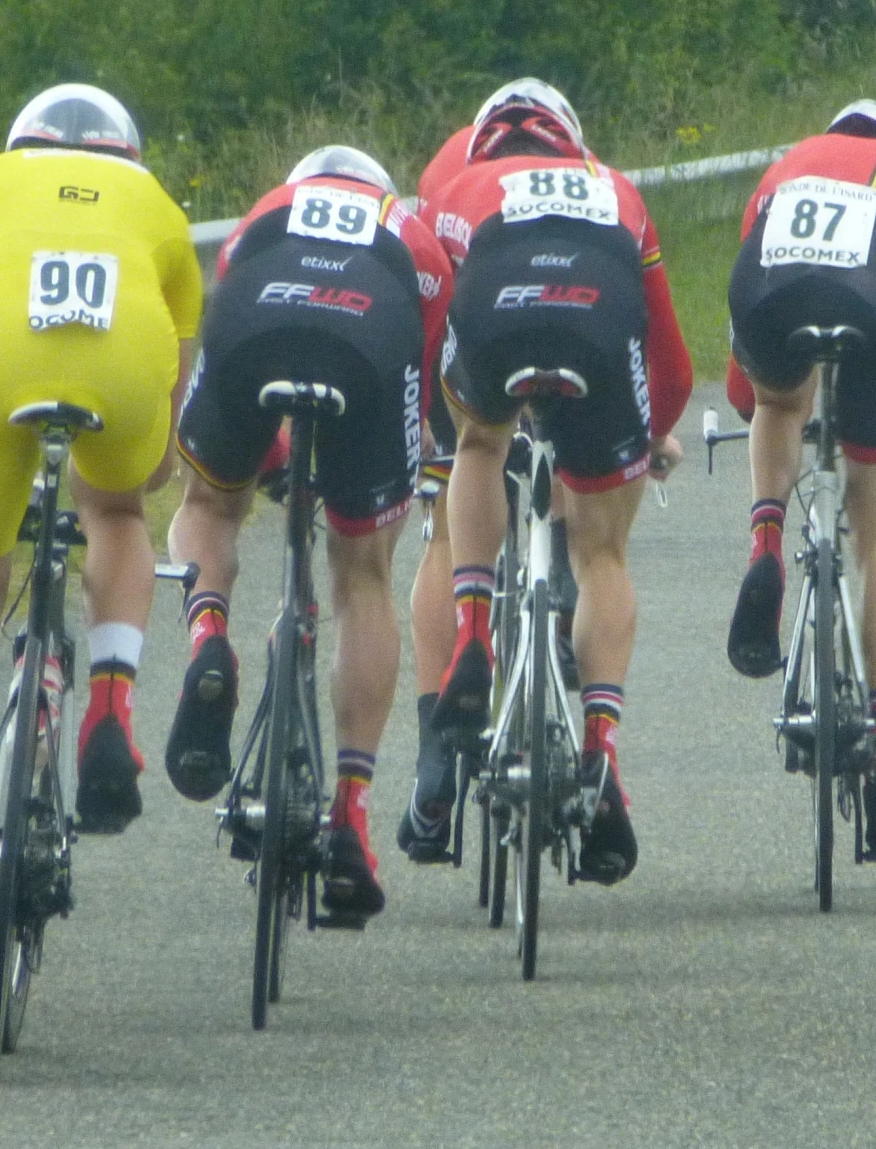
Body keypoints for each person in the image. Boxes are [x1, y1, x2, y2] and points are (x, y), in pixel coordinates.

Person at [0, 84, 201, 974]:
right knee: (118, 510)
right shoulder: (161, 212)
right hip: (120, 381)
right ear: (126, 158)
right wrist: (136, 480)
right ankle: (110, 704)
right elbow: (168, 436)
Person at [158, 145, 452, 923]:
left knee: (209, 504)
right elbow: (416, 401)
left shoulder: (262, 214)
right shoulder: (412, 234)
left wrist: (275, 458)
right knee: (363, 578)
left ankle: (209, 634)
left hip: (256, 322)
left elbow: (232, 325)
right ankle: (351, 811)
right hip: (370, 344)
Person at [424, 92, 691, 884]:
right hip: (598, 331)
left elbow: (425, 324)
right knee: (605, 553)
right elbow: (668, 352)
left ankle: (473, 630)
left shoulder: (460, 187)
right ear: (572, 144)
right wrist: (651, 432)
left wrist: (435, 437)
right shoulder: (617, 190)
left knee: (479, 442)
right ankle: (601, 755)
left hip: (494, 320)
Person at [722, 100, 876, 860]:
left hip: (773, 296)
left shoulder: (781, 170)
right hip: (875, 309)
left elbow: (738, 379)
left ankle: (765, 543)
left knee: (774, 401)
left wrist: (775, 402)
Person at [397, 77, 587, 863]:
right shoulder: (582, 170)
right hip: (577, 318)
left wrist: (422, 427)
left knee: (448, 530)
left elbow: (422, 297)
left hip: (467, 334)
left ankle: (435, 744)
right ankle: (567, 564)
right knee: (577, 436)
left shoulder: (449, 171)